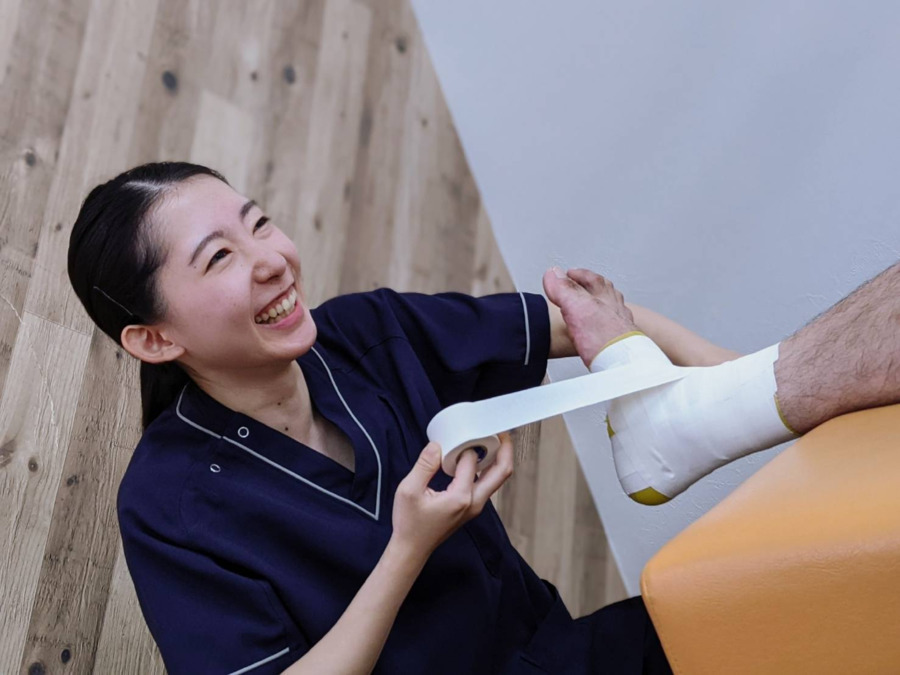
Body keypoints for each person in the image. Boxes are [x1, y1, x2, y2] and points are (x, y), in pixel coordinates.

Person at [68, 162, 687, 674]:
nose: (272, 260)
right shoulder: (168, 505)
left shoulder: (363, 334)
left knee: (734, 608)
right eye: (220, 257)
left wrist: (742, 387)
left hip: (557, 656)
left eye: (259, 224)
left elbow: (593, 323)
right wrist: (408, 548)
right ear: (153, 340)